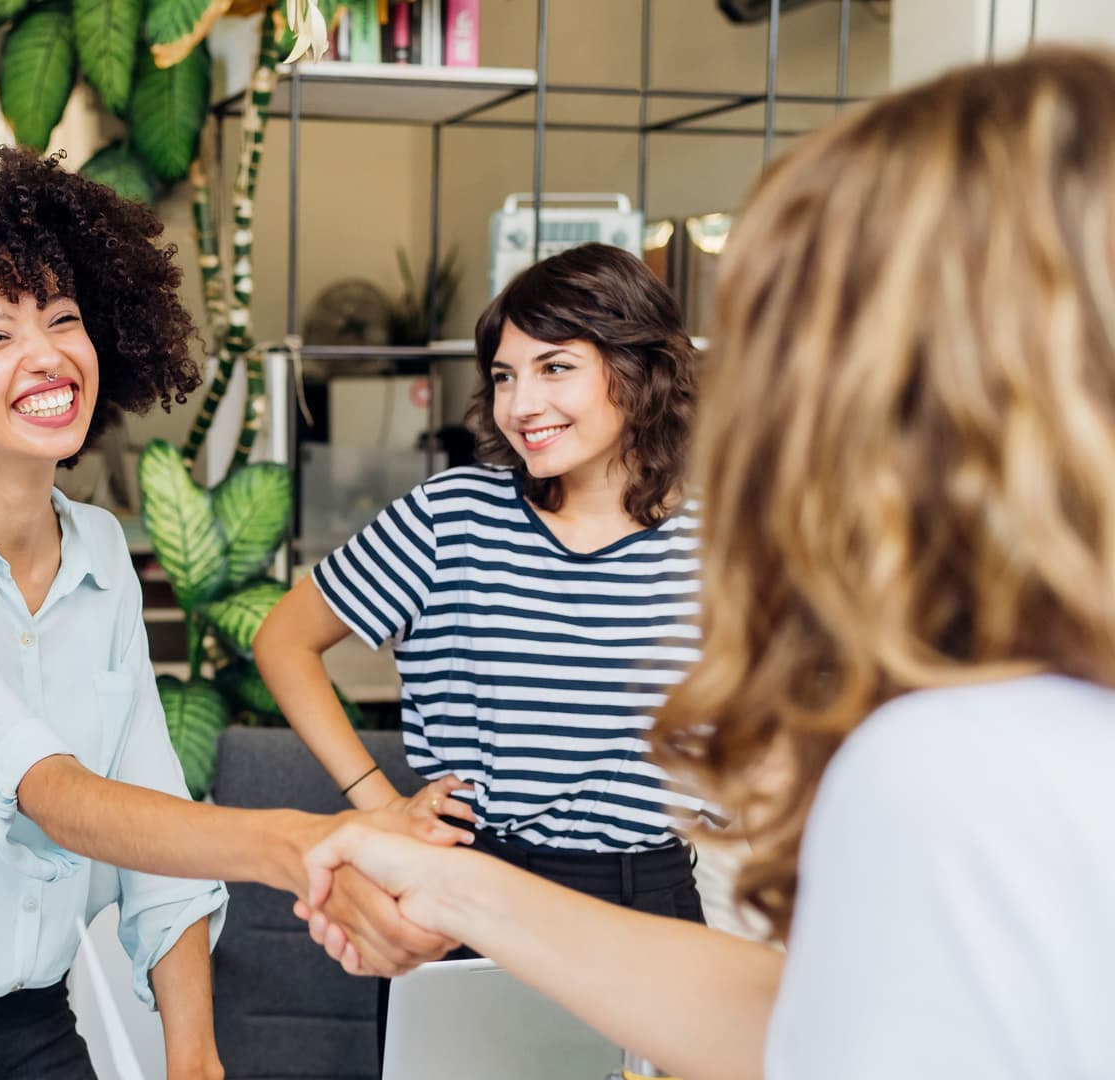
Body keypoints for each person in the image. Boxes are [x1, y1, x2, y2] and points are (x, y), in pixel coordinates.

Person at [298, 48, 1115, 1080]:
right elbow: (808, 1031)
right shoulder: (987, 735)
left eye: (813, 337)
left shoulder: (945, 766)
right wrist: (437, 872)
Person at [0, 146, 462, 1080]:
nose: (47, 354)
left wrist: (194, 1055)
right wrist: (298, 842)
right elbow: (51, 796)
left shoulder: (100, 557)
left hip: (27, 1017)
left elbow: (151, 807)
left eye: (62, 319)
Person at [254, 242, 715, 986]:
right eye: (505, 376)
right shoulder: (453, 516)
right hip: (470, 890)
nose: (521, 404)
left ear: (640, 371)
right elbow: (283, 640)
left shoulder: (713, 546)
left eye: (555, 367)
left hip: (647, 900)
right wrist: (378, 803)